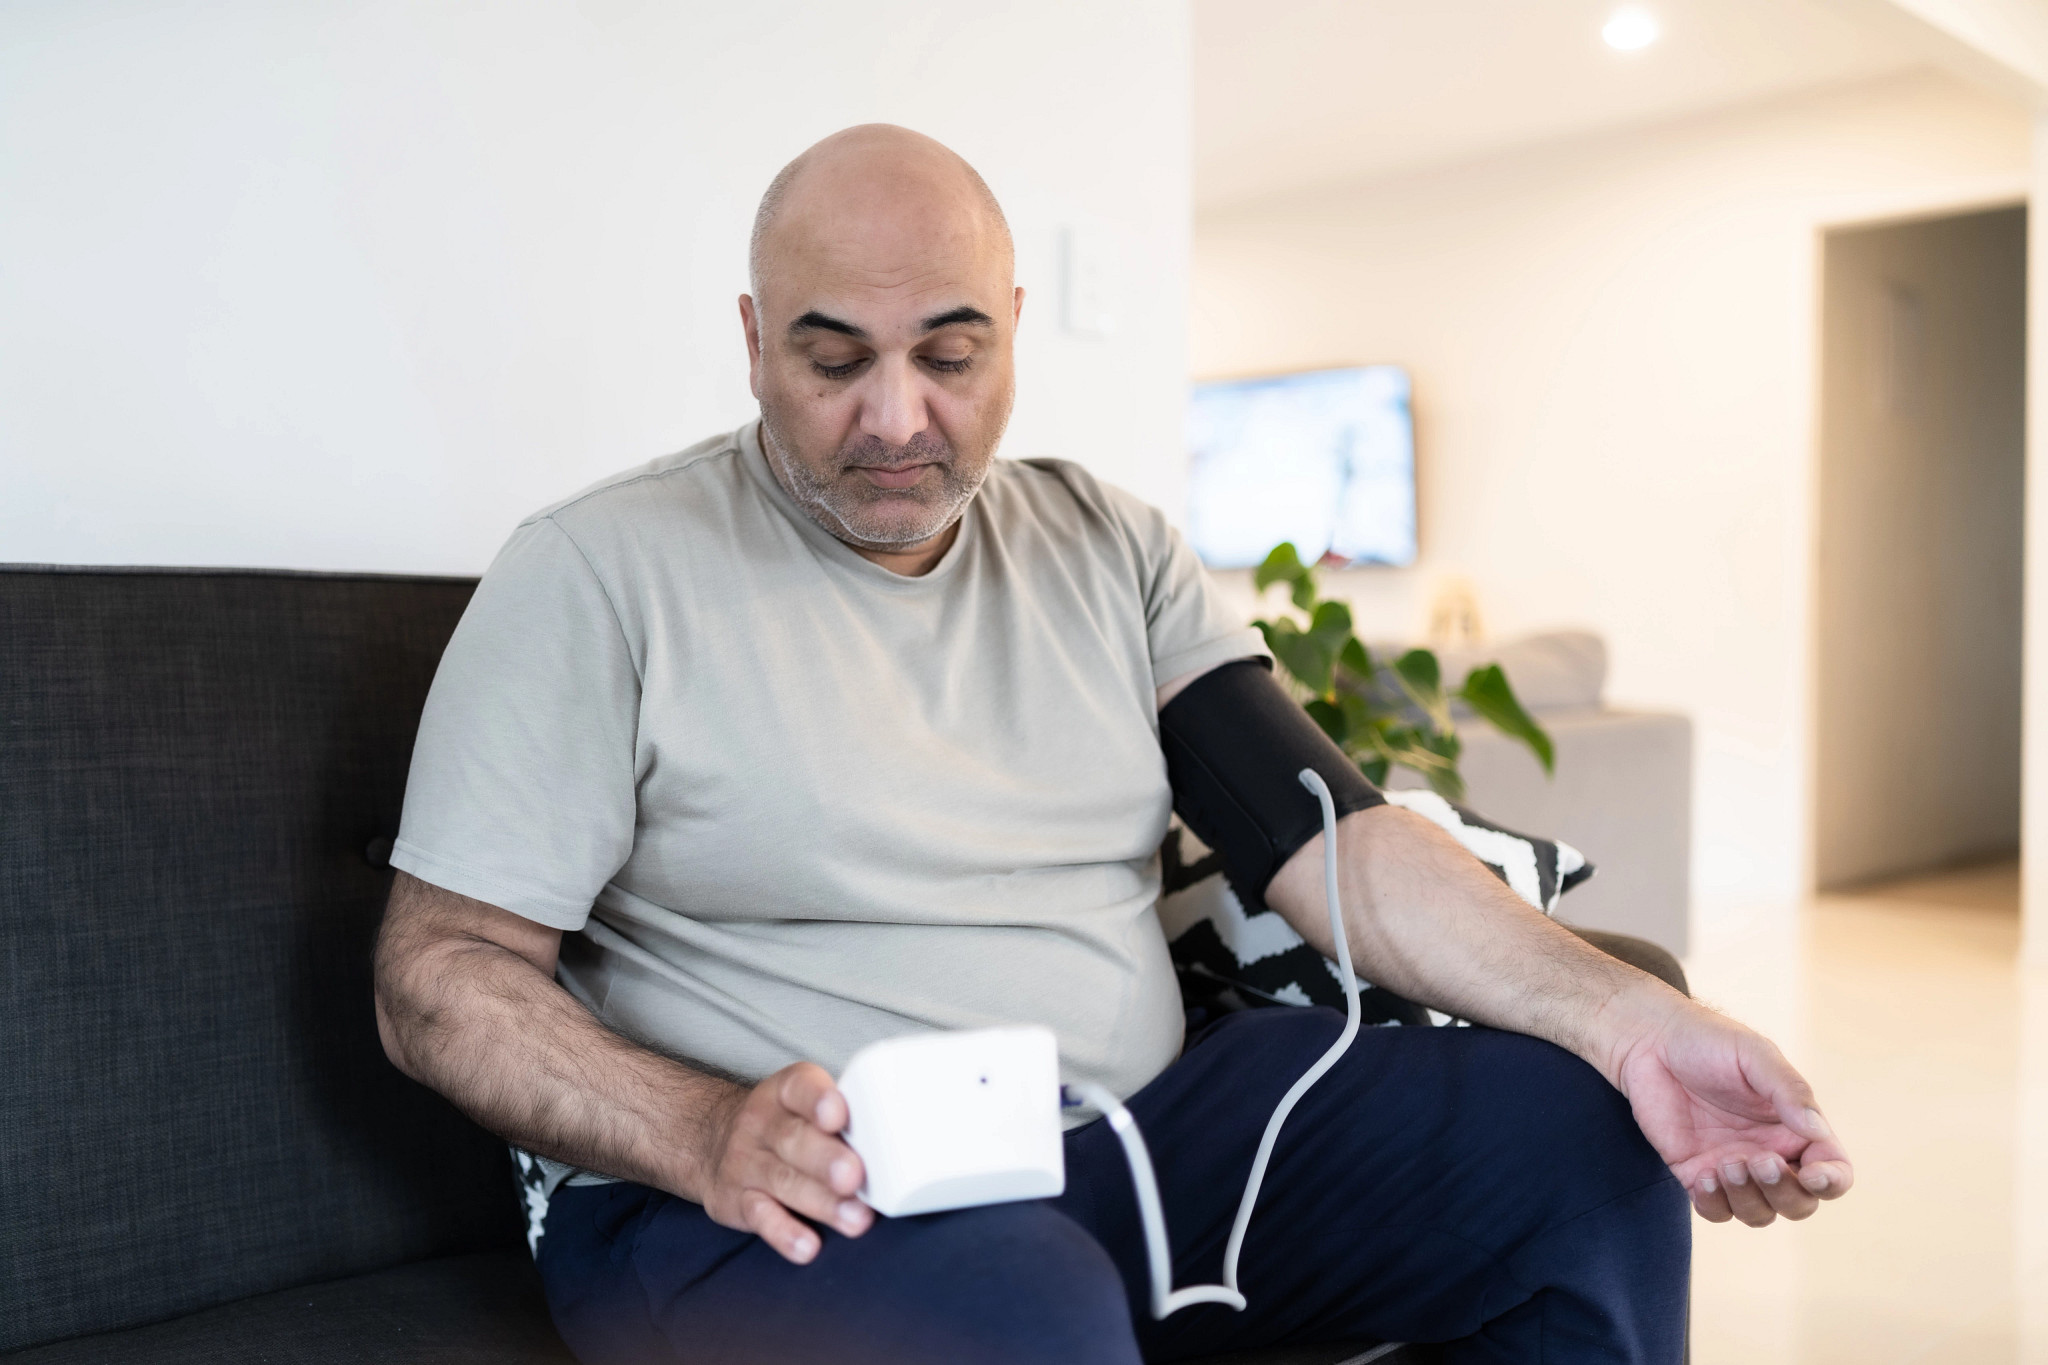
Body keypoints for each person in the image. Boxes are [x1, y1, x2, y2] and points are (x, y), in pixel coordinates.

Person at [373, 124, 1852, 1365]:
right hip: (761, 1202)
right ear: (754, 340)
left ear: (1015, 323)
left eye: (950, 353)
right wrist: (699, 1131)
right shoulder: (596, 573)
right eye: (834, 362)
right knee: (1026, 1303)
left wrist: (1629, 1023)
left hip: (1133, 1142)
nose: (898, 418)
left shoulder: (1105, 545)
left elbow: (1328, 842)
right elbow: (438, 977)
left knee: (1581, 1143)